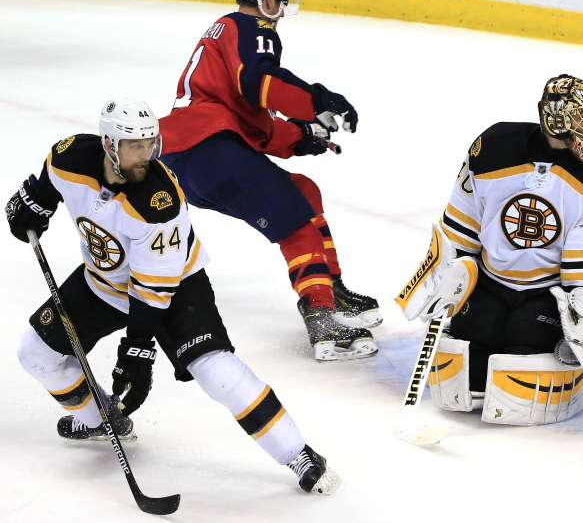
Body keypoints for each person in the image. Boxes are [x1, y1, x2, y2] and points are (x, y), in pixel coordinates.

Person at [6, 98, 339, 494]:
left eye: (150, 143)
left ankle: (298, 453)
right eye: (135, 146)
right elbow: (46, 183)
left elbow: (153, 290)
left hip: (176, 288)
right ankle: (98, 418)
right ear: (109, 144)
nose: (146, 154)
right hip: (103, 284)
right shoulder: (70, 156)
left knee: (216, 371)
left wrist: (137, 349)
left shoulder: (158, 202)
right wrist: (31, 205)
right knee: (35, 353)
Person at [396, 75, 583, 426]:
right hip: (490, 282)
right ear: (556, 118)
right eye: (582, 116)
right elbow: (463, 224)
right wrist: (445, 276)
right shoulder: (493, 147)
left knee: (518, 357)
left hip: (547, 293)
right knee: (471, 374)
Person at [158, 0, 380, 361]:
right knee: (296, 223)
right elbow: (260, 83)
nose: (282, 9)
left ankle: (332, 288)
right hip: (212, 150)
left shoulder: (222, 33)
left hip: (188, 161)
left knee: (302, 191)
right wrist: (319, 100)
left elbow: (248, 119)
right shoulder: (253, 28)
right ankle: (322, 315)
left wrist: (301, 136)